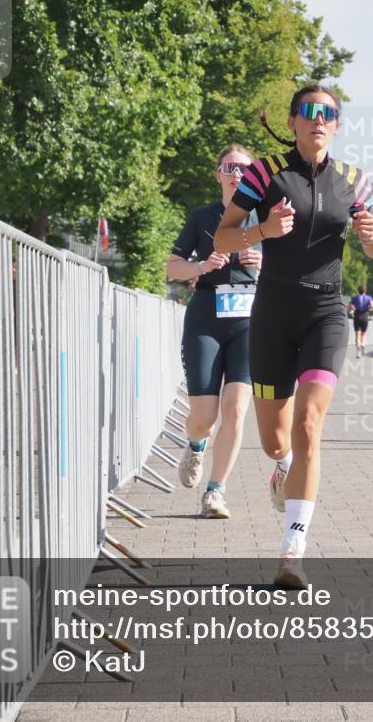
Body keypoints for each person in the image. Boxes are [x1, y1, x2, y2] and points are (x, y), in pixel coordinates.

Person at [213, 85, 373, 587]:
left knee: (310, 424)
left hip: (325, 312)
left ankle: (293, 550)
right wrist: (262, 231)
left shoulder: (354, 181)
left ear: (337, 124)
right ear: (292, 122)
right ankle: (282, 466)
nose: (318, 120)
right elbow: (224, 236)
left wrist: (372, 235)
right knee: (274, 441)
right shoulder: (264, 174)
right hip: (273, 311)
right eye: (309, 112)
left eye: (328, 113)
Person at [166, 145, 262, 518]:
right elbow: (173, 268)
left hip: (250, 321)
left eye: (244, 169)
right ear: (219, 174)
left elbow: (294, 274)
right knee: (204, 416)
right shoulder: (202, 216)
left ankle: (215, 493)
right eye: (230, 167)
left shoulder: (266, 220)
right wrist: (202, 265)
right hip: (206, 316)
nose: (237, 173)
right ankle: (194, 445)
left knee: (236, 410)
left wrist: (265, 264)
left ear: (253, 177)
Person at [348, 284, 373, 358]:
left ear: (358, 290)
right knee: (363, 334)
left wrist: (352, 309)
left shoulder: (354, 298)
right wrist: (369, 308)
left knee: (357, 335)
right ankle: (363, 344)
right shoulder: (369, 298)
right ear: (365, 290)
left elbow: (349, 306)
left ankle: (358, 352)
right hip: (365, 317)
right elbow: (372, 305)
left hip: (357, 317)